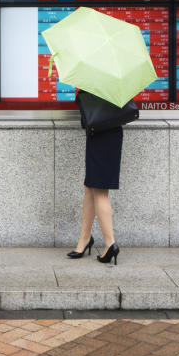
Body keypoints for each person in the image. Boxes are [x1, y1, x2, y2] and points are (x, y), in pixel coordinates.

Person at [67, 94, 122, 265]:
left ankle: (110, 243)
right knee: (89, 186)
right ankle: (84, 239)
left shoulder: (94, 84)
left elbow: (87, 111)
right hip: (112, 133)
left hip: (100, 134)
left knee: (99, 191)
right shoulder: (116, 81)